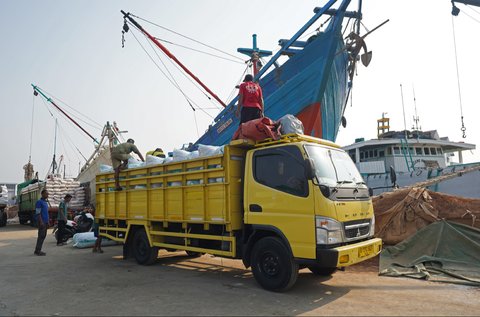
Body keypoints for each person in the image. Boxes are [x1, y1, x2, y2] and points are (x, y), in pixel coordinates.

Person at [34, 189, 49, 256]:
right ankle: (38, 250)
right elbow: (38, 213)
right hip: (42, 222)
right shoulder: (39, 202)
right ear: (42, 194)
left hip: (45, 222)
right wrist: (41, 222)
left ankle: (38, 250)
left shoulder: (45, 202)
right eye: (46, 194)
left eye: (48, 194)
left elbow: (46, 213)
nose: (47, 195)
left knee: (43, 236)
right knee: (41, 236)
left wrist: (47, 221)